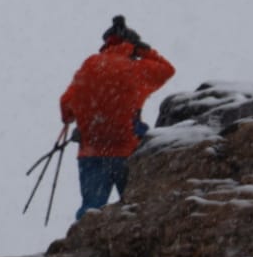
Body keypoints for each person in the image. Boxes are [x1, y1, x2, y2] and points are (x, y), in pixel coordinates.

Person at [58, 15, 176, 219]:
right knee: (135, 208)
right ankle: (131, 238)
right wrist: (142, 50)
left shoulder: (89, 67)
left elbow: (66, 107)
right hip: (127, 150)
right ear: (130, 45)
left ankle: (86, 236)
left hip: (91, 151)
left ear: (106, 43)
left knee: (91, 209)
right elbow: (167, 69)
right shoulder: (137, 69)